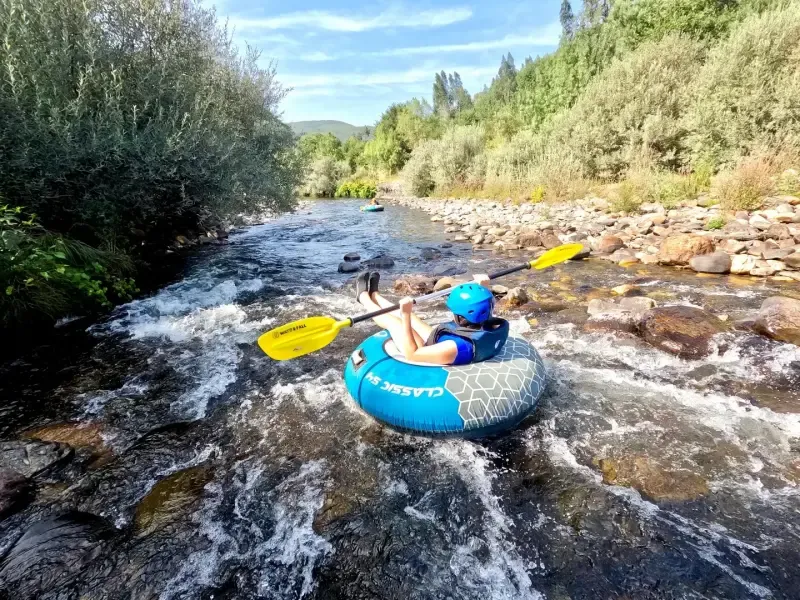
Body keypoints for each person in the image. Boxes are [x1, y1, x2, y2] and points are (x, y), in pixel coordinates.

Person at [355, 271, 509, 366]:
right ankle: (375, 295)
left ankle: (363, 298)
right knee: (414, 318)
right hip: (448, 341)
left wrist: (406, 315)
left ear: (461, 316)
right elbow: (482, 305)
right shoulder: (489, 323)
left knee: (395, 322)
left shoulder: (454, 347)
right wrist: (483, 288)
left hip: (426, 350)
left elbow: (413, 355)